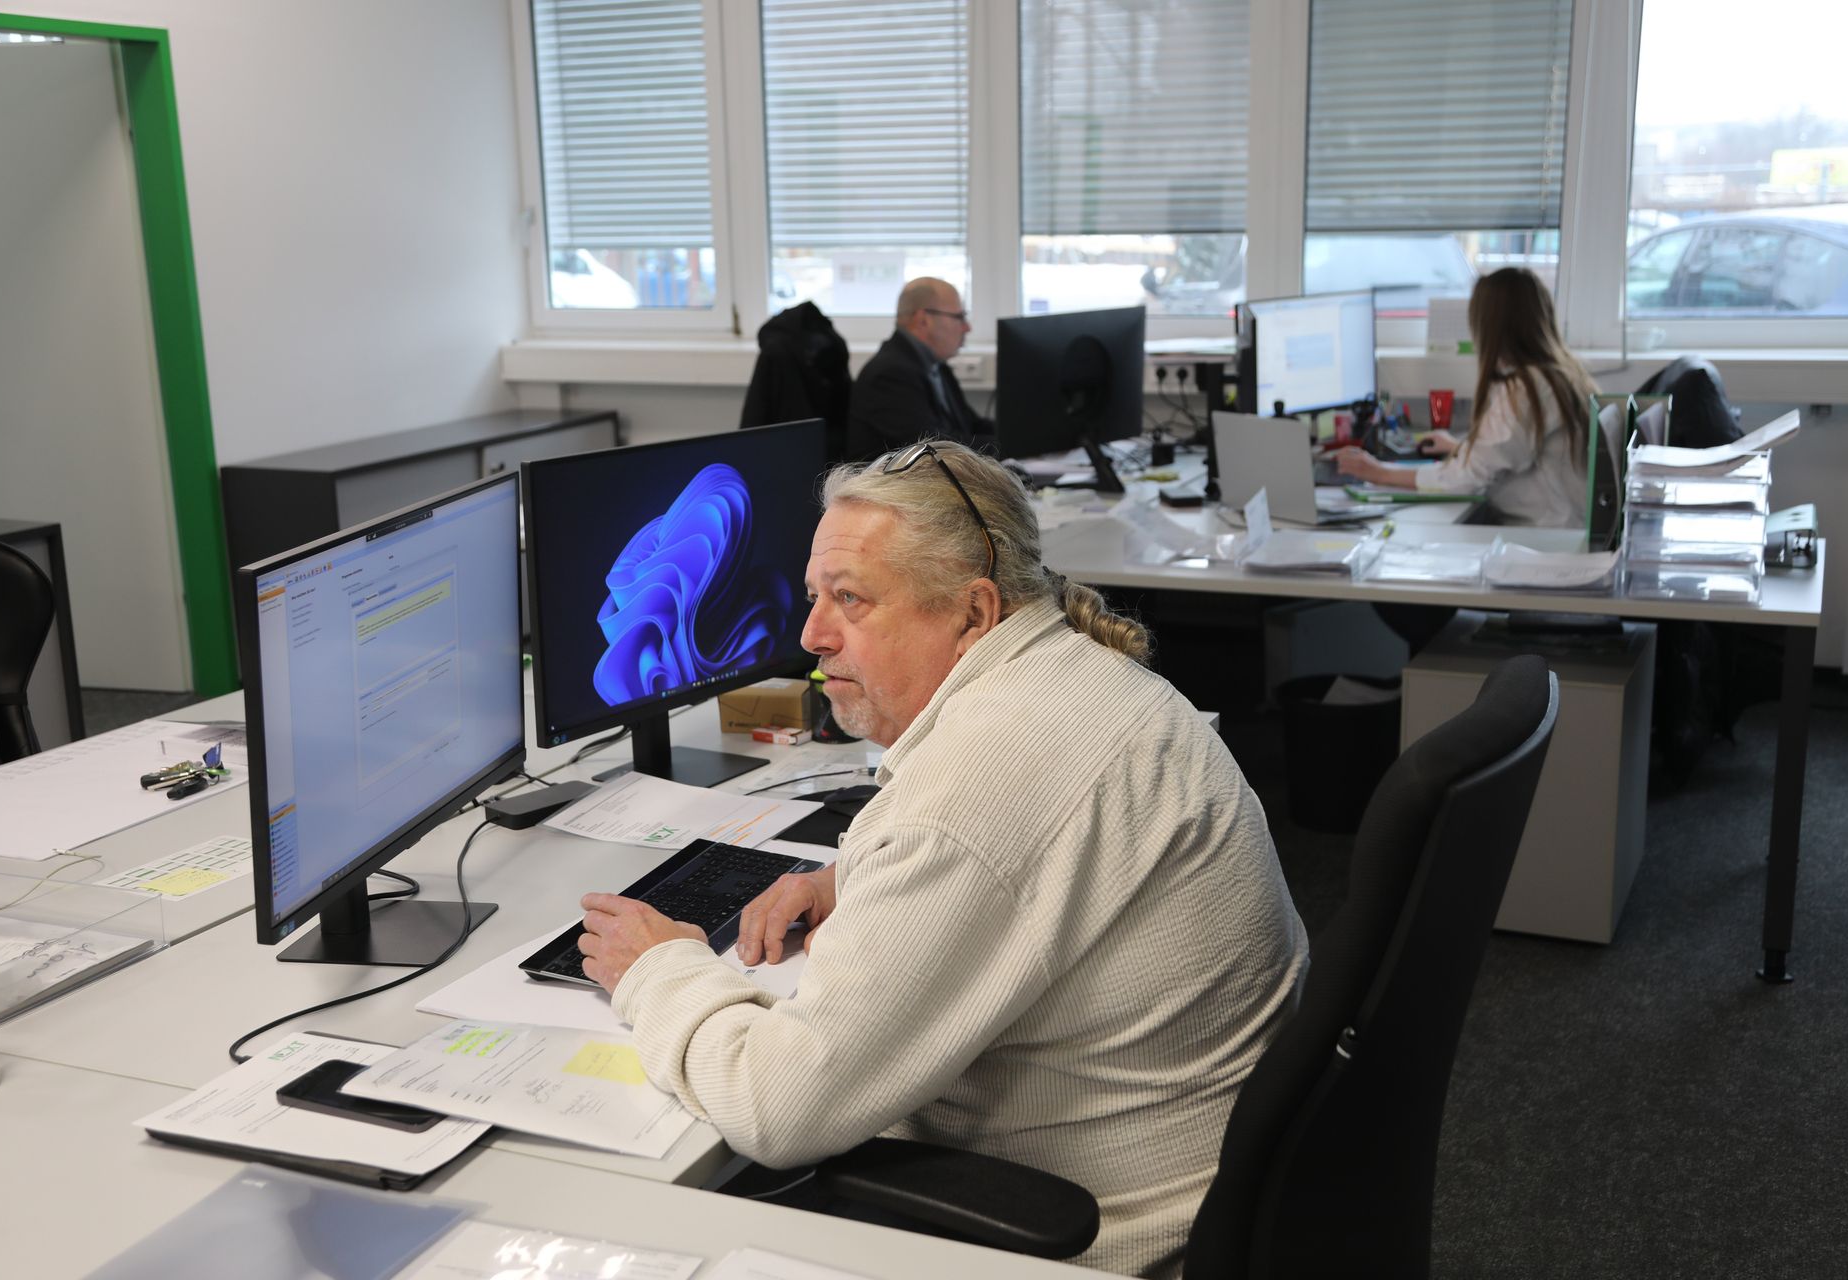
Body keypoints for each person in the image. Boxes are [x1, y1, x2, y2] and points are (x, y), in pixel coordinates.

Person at [574, 441, 1308, 1278]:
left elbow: (778, 1108)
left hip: (1098, 1235)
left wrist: (658, 970)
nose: (811, 634)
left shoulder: (981, 783)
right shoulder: (1070, 677)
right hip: (1197, 1178)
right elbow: (1033, 853)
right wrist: (849, 879)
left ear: (973, 611)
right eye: (816, 596)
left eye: (850, 600)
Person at [1337, 266, 1597, 527]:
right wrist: (1460, 447)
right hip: (1560, 531)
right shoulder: (1559, 374)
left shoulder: (1525, 389)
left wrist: (1378, 473)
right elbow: (1512, 450)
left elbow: (1464, 479)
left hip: (1546, 540)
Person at [845, 277, 996, 461]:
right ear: (924, 320)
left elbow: (970, 426)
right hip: (898, 487)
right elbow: (935, 449)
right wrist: (1010, 445)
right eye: (959, 317)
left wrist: (1023, 435)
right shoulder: (889, 375)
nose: (967, 327)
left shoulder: (936, 366)